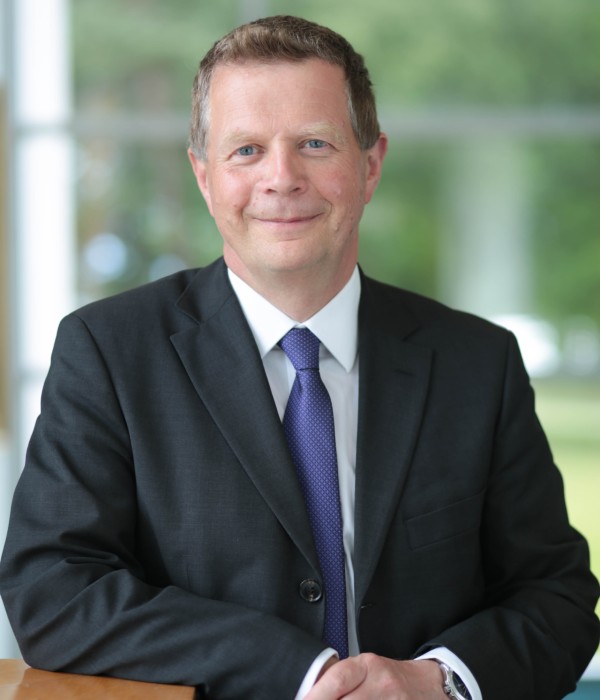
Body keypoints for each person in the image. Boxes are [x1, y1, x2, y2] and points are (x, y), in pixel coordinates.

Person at [1, 14, 598, 700]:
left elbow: (556, 596)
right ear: (203, 176)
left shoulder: (477, 363)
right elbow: (54, 591)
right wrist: (298, 672)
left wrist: (437, 681)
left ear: (370, 165)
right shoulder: (107, 353)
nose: (281, 178)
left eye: (314, 144)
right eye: (246, 150)